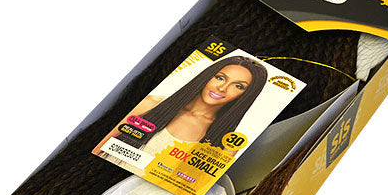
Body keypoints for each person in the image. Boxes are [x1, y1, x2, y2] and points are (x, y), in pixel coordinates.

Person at [93, 55, 268, 159]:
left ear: (246, 95)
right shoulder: (151, 104)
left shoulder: (227, 144)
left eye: (238, 86)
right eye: (220, 78)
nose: (222, 88)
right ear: (207, 76)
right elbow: (98, 149)